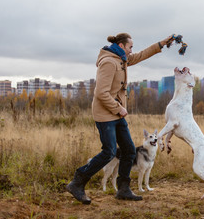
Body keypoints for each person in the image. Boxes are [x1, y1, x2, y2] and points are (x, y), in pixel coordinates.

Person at [66, 33, 172, 204]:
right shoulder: (109, 62)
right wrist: (119, 108)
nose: (132, 51)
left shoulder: (121, 58)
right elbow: (101, 93)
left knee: (129, 150)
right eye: (130, 47)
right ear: (122, 46)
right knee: (109, 152)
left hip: (116, 113)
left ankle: (123, 189)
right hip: (105, 114)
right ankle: (77, 182)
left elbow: (141, 55)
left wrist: (162, 43)